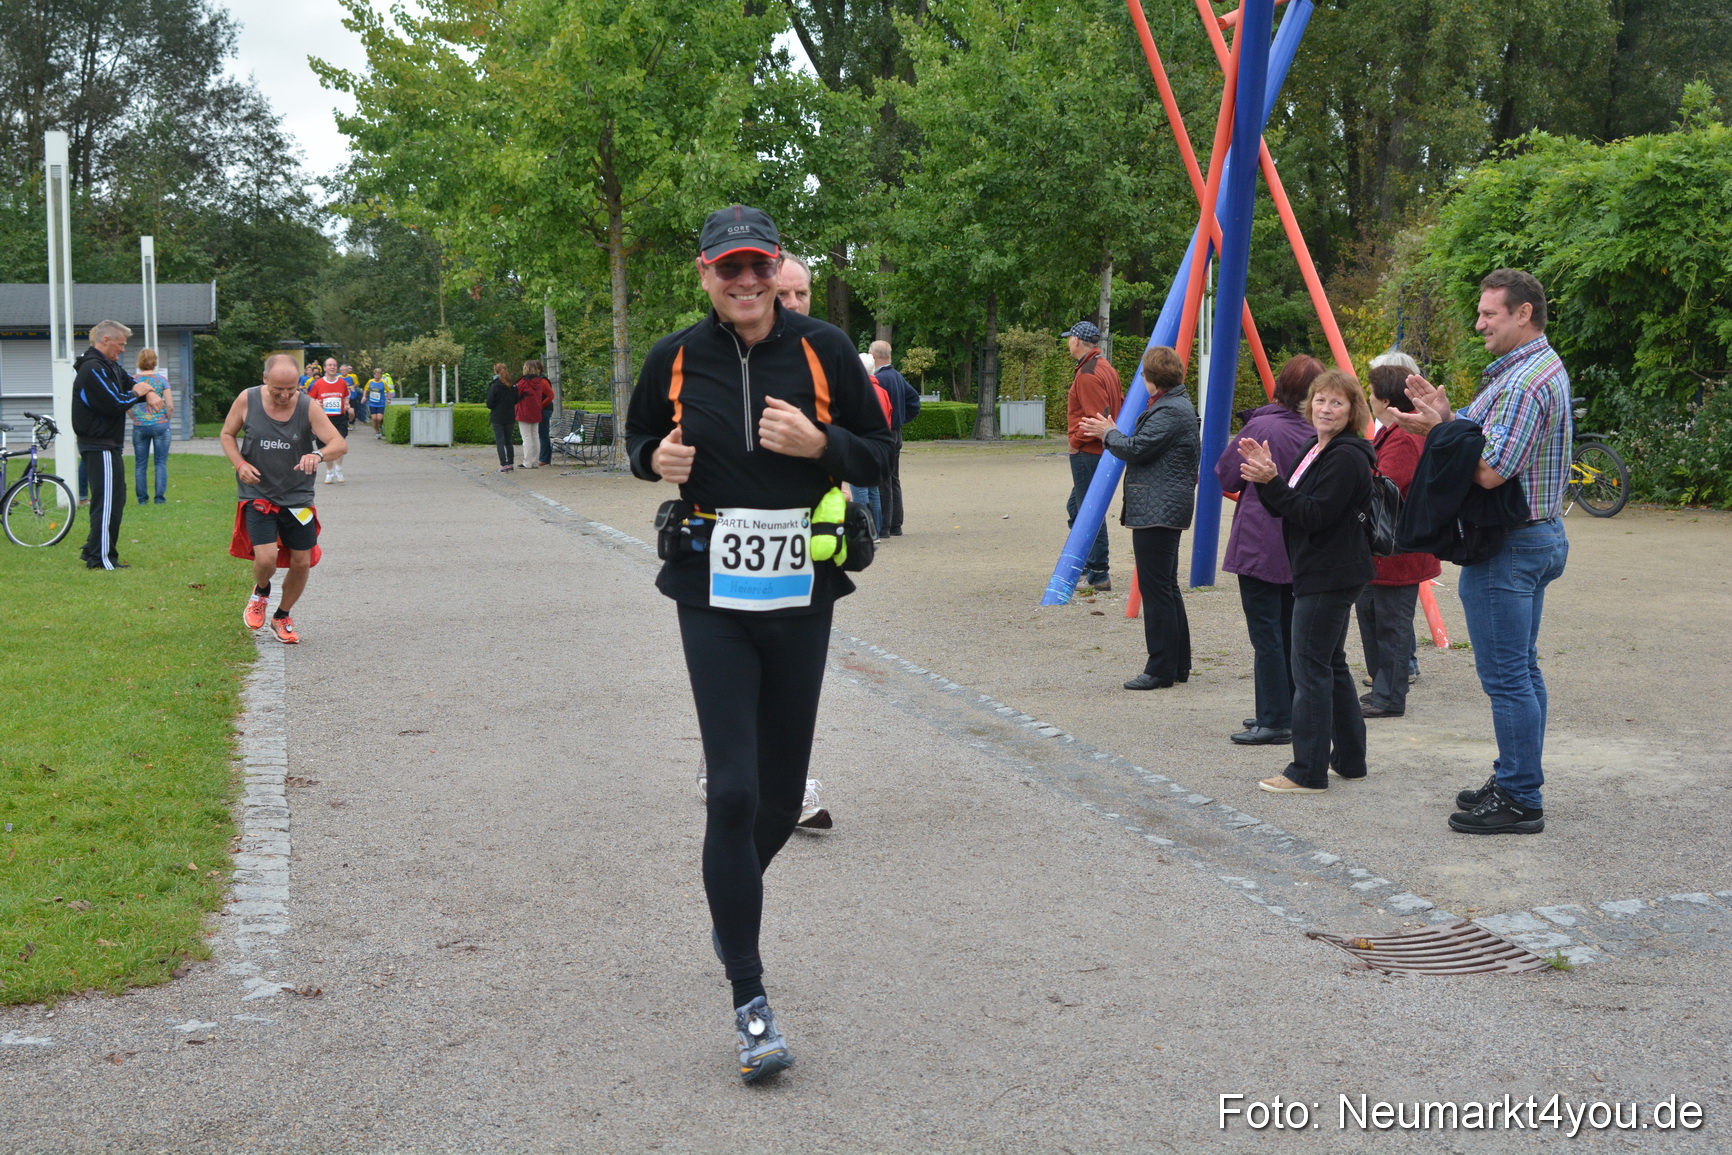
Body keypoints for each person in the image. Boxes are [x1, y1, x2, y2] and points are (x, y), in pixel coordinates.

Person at [626, 204, 892, 1082]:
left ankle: (728, 897)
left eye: (756, 267)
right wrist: (652, 463)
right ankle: (750, 995)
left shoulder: (825, 350)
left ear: (777, 268)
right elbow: (638, 442)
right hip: (709, 586)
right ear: (703, 273)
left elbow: (881, 454)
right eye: (726, 269)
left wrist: (824, 442)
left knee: (780, 797)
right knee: (732, 792)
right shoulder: (673, 356)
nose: (743, 282)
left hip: (800, 587)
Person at [1393, 269, 1571, 835]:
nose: (1479, 323)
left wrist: (1440, 433)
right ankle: (1518, 775)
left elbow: (1491, 470)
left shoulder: (1524, 384)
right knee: (1522, 668)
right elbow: (1481, 439)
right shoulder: (1531, 369)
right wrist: (1444, 421)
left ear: (1524, 313)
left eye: (1490, 313)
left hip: (1509, 546)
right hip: (1533, 537)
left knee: (1507, 678)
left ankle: (1521, 798)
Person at [1237, 369, 1376, 794]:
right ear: (1308, 403)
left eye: (1337, 403)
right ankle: (1349, 760)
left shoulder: (1347, 455)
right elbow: (1285, 506)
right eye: (1320, 400)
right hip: (1319, 568)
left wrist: (1271, 481)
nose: (1326, 409)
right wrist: (1267, 477)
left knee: (1310, 668)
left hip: (1330, 572)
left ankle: (1307, 770)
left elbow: (1316, 514)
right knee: (1329, 664)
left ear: (1352, 410)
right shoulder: (1314, 447)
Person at [1216, 355, 1324, 745]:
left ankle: (1274, 717)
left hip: (1260, 541)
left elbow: (1226, 474)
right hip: (1302, 541)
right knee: (1292, 630)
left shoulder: (1261, 426)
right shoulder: (1320, 431)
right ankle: (1290, 708)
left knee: (1266, 633)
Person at [1078, 346, 1199, 690]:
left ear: (1152, 380)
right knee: (1166, 586)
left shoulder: (1169, 410)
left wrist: (1107, 434)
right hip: (1164, 506)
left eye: (1144, 375)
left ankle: (1160, 668)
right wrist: (1114, 432)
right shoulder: (1176, 405)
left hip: (1158, 508)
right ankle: (1177, 664)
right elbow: (1141, 444)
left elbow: (1136, 449)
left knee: (1157, 588)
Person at [222, 354, 347, 645]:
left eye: (292, 388)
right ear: (265, 379)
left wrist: (316, 455)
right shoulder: (247, 400)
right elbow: (227, 434)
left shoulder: (307, 406)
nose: (285, 395)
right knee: (265, 558)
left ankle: (282, 615)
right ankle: (261, 592)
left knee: (302, 562)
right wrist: (240, 464)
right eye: (279, 389)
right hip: (258, 494)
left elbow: (339, 444)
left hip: (297, 497)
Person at [1355, 358, 1441, 719]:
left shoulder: (1403, 438)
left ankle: (1390, 695)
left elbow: (1387, 486)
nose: (1367, 398)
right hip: (1385, 548)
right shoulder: (1393, 433)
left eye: (1371, 393)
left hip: (1396, 548)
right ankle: (1382, 688)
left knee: (1391, 622)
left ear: (1384, 401)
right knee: (1374, 614)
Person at [72, 320, 162, 569]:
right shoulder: (92, 369)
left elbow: (129, 381)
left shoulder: (109, 366)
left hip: (108, 445)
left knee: (116, 498)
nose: (123, 350)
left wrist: (149, 392)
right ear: (105, 341)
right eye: (120, 344)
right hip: (99, 444)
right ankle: (100, 558)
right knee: (107, 501)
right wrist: (140, 393)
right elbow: (116, 402)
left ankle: (94, 548)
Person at [1063, 320, 1122, 591]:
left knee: (1087, 511)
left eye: (1069, 339)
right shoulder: (1105, 367)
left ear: (1076, 341)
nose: (1067, 343)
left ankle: (1097, 571)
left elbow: (1096, 418)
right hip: (1101, 449)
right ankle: (1090, 566)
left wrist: (1075, 442)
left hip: (1089, 450)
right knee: (1078, 508)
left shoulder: (1087, 374)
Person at [870, 340, 921, 536]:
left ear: (874, 357)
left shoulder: (879, 380)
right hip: (896, 432)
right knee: (893, 479)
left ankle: (884, 525)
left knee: (883, 479)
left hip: (884, 433)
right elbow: (914, 401)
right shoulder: (897, 376)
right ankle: (896, 524)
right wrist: (900, 419)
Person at [129, 346, 173, 505]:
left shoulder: (132, 380)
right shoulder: (162, 380)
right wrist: (166, 418)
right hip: (160, 425)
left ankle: (142, 500)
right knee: (160, 462)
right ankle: (159, 499)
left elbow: (128, 404)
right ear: (155, 361)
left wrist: (135, 417)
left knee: (140, 464)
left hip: (140, 426)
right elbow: (170, 405)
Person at [306, 364, 353, 484]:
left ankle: (339, 469)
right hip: (323, 419)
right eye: (329, 365)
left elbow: (346, 396)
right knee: (326, 446)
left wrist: (347, 404)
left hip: (339, 418)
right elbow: (309, 399)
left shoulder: (342, 383)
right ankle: (329, 471)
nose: (332, 367)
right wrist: (317, 402)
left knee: (339, 442)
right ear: (325, 368)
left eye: (334, 365)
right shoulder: (318, 383)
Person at [514, 360, 552, 468]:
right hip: (536, 412)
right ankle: (535, 461)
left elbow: (516, 395)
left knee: (526, 438)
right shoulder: (539, 382)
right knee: (535, 437)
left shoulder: (523, 382)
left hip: (524, 412)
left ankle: (527, 462)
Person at [485, 362, 518, 471]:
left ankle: (503, 464)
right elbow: (516, 400)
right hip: (510, 416)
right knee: (509, 441)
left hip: (497, 417)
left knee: (500, 442)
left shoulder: (494, 385)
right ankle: (511, 463)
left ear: (495, 371)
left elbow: (489, 403)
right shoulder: (512, 385)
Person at [364, 369, 392, 437]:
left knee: (379, 418)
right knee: (374, 419)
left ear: (381, 375)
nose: (377, 375)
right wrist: (364, 397)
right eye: (376, 374)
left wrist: (388, 399)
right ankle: (377, 432)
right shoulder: (370, 382)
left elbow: (388, 391)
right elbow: (366, 389)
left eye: (379, 374)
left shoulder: (383, 382)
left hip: (381, 403)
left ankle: (381, 426)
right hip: (372, 403)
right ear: (374, 375)